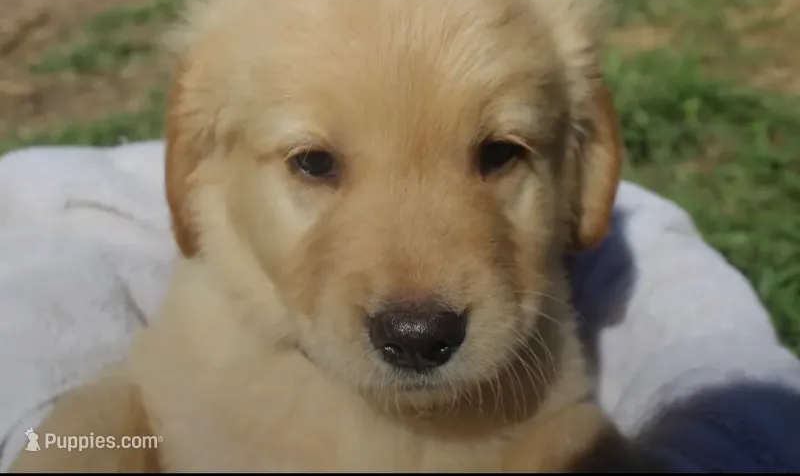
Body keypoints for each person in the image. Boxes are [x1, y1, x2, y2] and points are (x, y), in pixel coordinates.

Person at [0, 141, 798, 472]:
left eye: (497, 153)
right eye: (316, 163)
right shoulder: (187, 350)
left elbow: (557, 431)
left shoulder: (542, 363)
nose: (418, 300)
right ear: (199, 161)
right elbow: (134, 408)